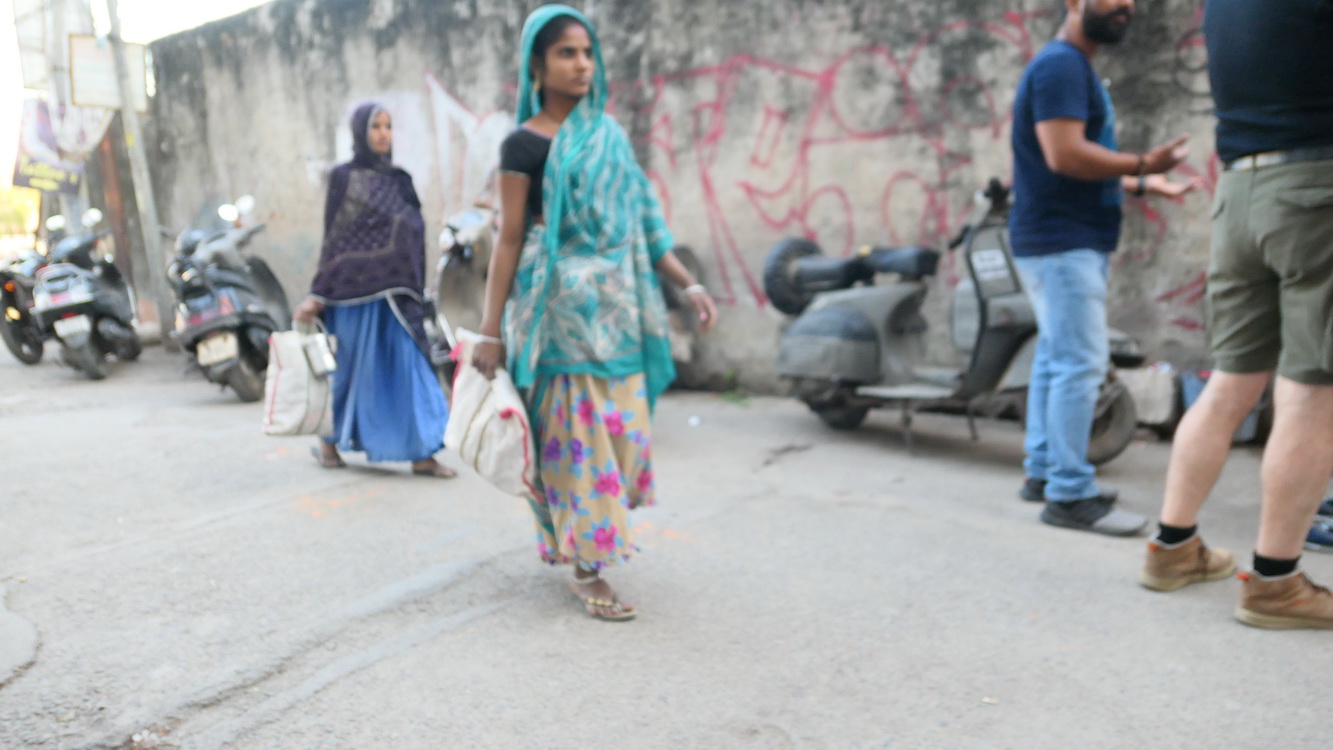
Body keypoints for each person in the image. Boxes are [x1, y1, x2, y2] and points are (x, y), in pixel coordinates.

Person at [473, 5, 718, 622]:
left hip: (618, 312)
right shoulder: (523, 144)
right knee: (575, 443)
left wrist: (687, 285)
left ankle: (583, 540)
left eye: (587, 52)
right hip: (555, 317)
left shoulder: (609, 136)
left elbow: (644, 219)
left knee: (621, 436)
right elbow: (507, 238)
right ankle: (586, 565)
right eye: (566, 53)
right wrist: (489, 329)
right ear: (537, 63)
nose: (582, 64)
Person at [1139, 0, 1333, 629]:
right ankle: (1275, 583)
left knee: (1231, 381)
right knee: (1312, 393)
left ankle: (1173, 549)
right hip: (1316, 190)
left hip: (1240, 192)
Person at [1009, 0, 1199, 535]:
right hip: (1062, 243)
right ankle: (1069, 494)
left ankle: (1044, 472)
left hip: (1056, 240)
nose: (1127, 5)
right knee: (1080, 363)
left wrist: (1143, 183)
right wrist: (1143, 162)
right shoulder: (1061, 65)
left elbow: (1073, 166)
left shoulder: (1067, 65)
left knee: (1055, 356)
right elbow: (1065, 156)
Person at [292, 103, 455, 479]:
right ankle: (328, 444)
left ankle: (423, 454)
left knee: (411, 367)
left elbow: (413, 235)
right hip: (350, 294)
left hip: (396, 295)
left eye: (388, 126)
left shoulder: (401, 180)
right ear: (360, 132)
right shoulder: (343, 178)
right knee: (347, 371)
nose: (383, 133)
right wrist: (319, 292)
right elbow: (334, 236)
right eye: (375, 126)